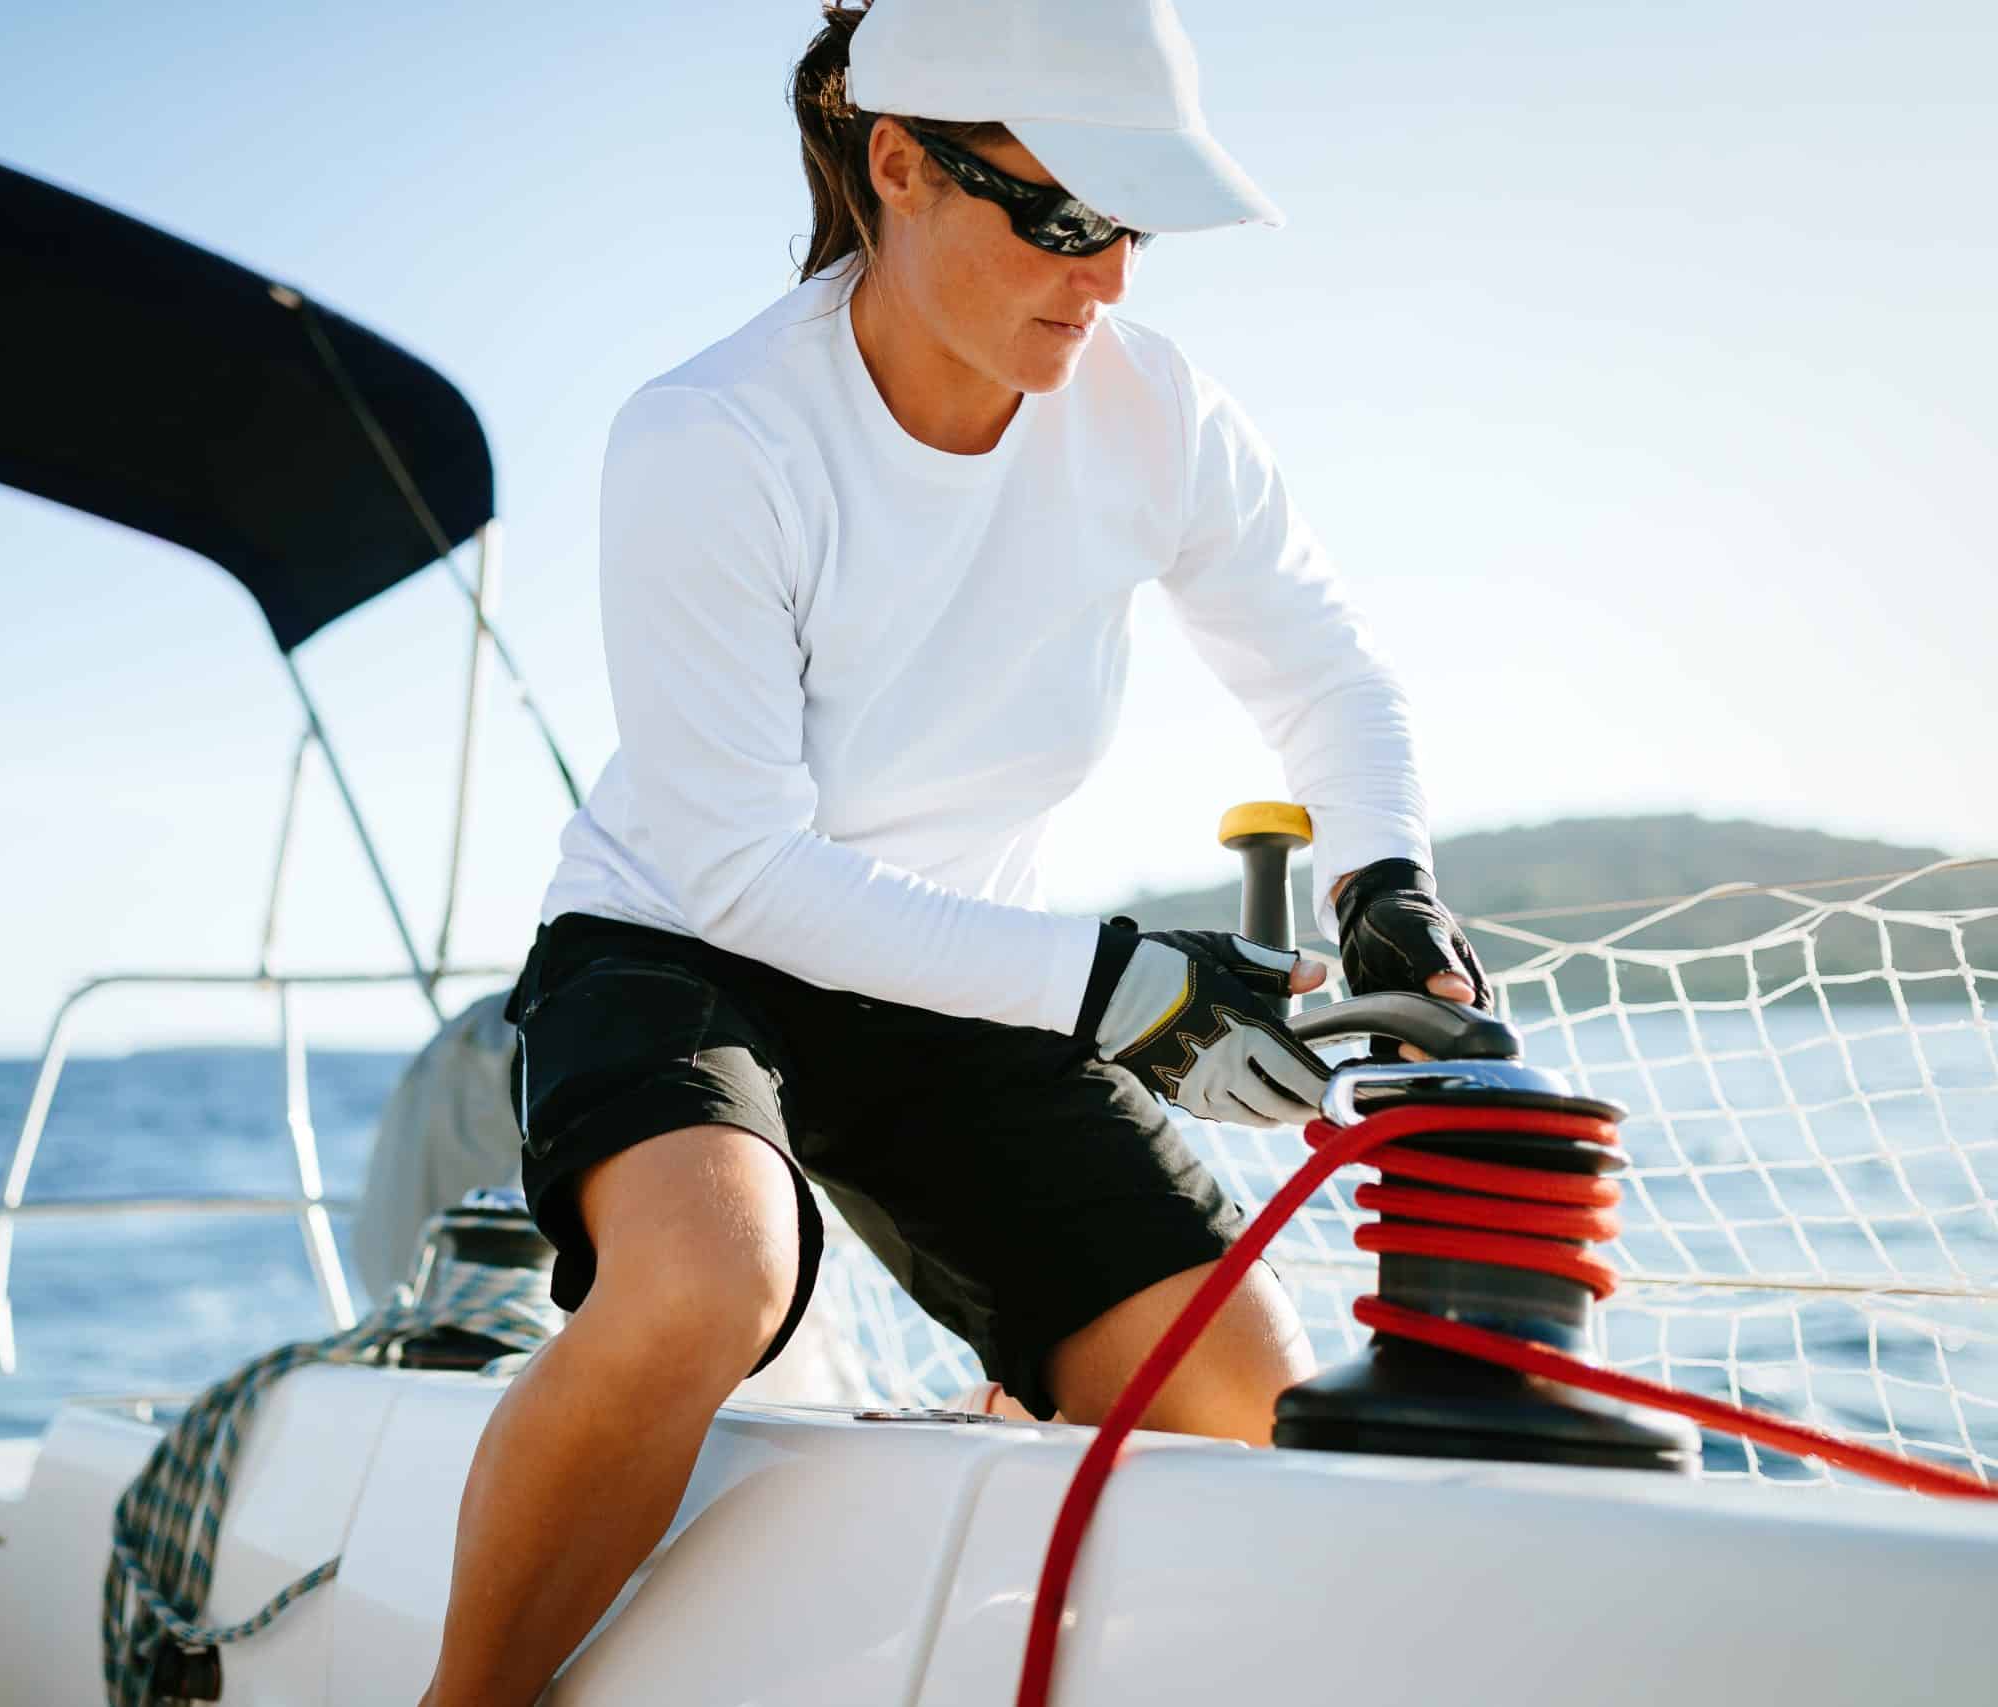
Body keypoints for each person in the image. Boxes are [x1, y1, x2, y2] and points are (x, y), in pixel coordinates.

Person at [420, 2, 1488, 1701]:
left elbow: (1324, 671)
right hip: (681, 947)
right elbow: (743, 872)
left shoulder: (1156, 413)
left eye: (1133, 225)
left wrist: (1385, 882)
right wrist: (1130, 988)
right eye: (1063, 220)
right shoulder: (713, 437)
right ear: (899, 165)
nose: (1110, 279)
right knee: (711, 1284)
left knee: (1243, 1404)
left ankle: (1014, 1391)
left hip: (956, 970)